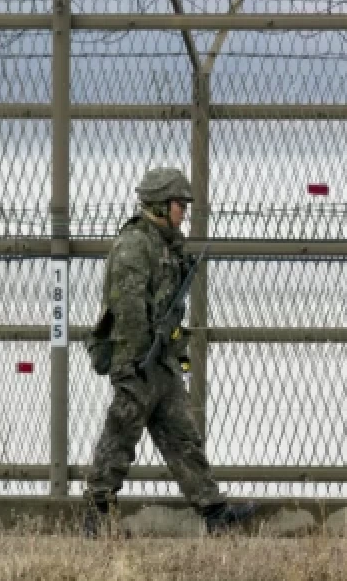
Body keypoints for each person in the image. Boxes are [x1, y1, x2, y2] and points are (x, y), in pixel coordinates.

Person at [82, 167, 255, 537]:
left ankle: (214, 513)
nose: (184, 212)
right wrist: (135, 363)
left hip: (160, 362)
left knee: (183, 437)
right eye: (180, 204)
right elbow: (127, 307)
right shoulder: (135, 246)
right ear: (160, 205)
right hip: (139, 362)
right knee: (120, 438)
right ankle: (96, 515)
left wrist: (169, 349)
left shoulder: (166, 244)